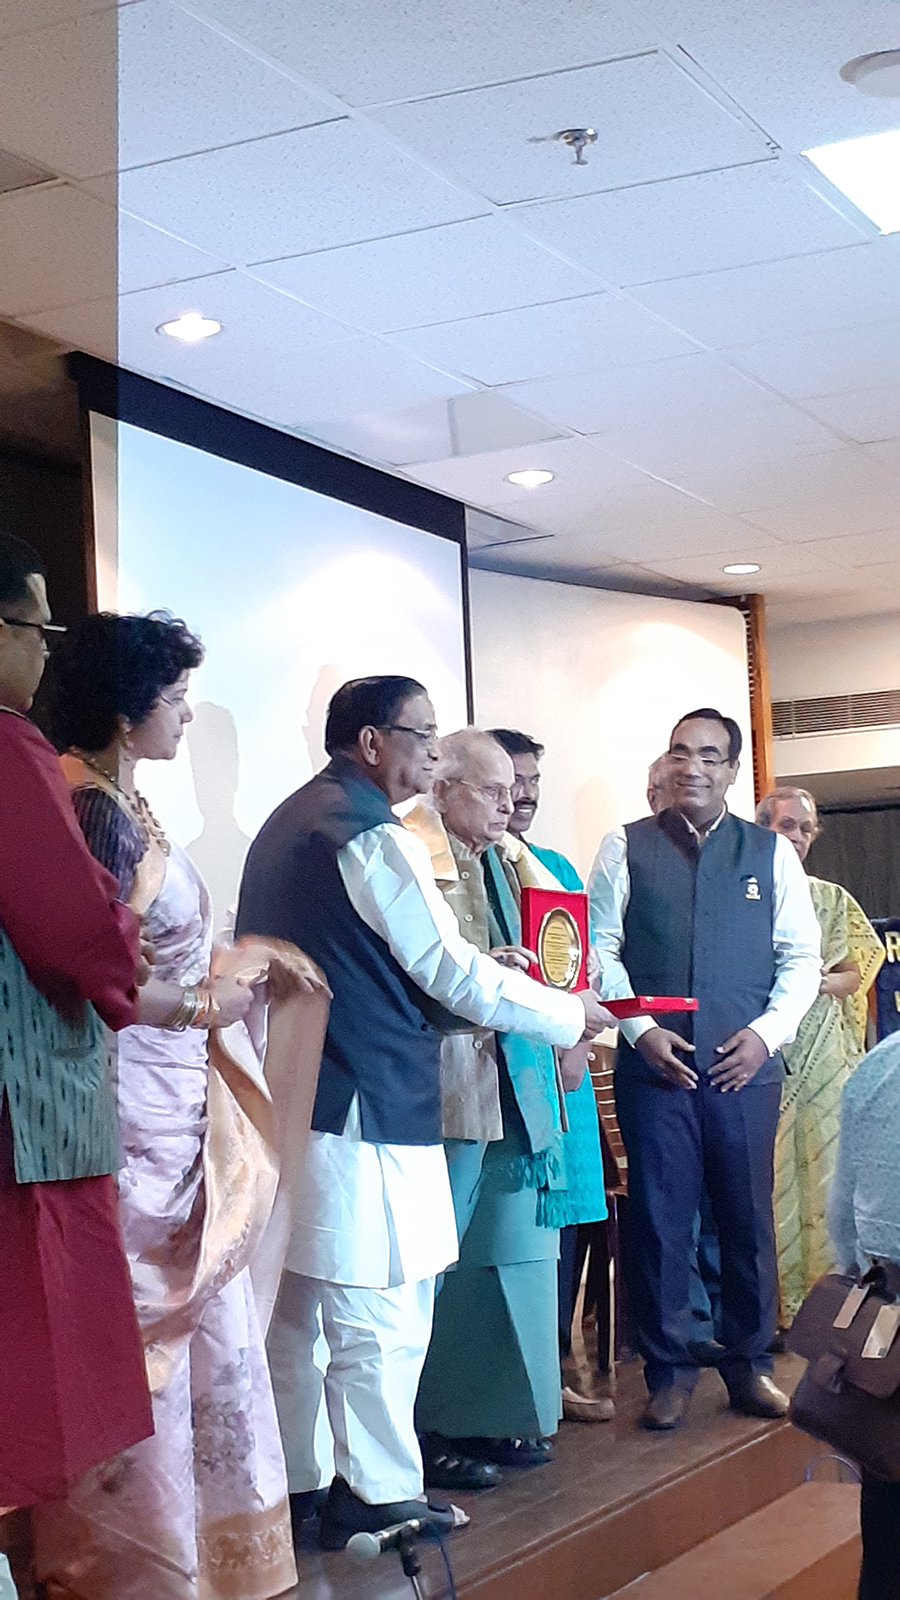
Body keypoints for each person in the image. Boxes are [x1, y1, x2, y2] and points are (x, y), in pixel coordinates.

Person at [235, 677, 613, 1549]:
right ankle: (377, 1493)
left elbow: (382, 962)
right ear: (372, 742)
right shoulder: (368, 832)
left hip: (297, 1092)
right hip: (367, 1097)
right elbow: (447, 969)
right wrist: (566, 1014)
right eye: (423, 736)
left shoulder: (290, 822)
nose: (433, 754)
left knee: (301, 1311)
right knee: (383, 1309)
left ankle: (303, 1486)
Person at [34, 613, 321, 1600]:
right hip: (130, 1103)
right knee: (144, 1316)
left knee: (198, 1316)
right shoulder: (92, 811)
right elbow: (100, 972)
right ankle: (135, 1558)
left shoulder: (121, 802)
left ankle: (200, 1547)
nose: (187, 717)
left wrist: (235, 970)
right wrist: (210, 1002)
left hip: (171, 1092)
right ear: (127, 712)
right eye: (175, 700)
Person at [589, 707, 822, 1430]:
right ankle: (668, 1371)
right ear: (667, 763)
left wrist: (765, 1036)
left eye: (709, 756)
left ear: (731, 770)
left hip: (744, 1070)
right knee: (660, 1220)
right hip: (656, 1071)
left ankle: (750, 1364)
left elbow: (801, 959)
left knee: (745, 1218)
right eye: (681, 753)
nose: (692, 767)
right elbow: (599, 950)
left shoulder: (770, 853)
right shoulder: (624, 845)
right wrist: (639, 1030)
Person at [0, 536, 152, 1525]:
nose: (42, 650)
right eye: (34, 627)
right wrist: (128, 942)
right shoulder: (8, 746)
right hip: (20, 1107)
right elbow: (75, 929)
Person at [488, 727, 612, 1424]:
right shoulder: (463, 864)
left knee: (558, 1234)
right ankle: (513, 1392)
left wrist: (580, 1037)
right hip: (505, 1074)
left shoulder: (556, 866)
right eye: (511, 782)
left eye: (533, 780)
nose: (525, 794)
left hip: (565, 1065)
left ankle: (555, 1373)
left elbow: (581, 969)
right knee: (507, 1234)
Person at [756, 787, 883, 1326]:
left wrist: (817, 982)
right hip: (762, 1054)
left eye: (805, 829)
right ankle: (773, 1310)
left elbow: (858, 970)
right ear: (762, 830)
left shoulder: (831, 898)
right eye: (786, 826)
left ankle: (827, 1309)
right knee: (769, 1181)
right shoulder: (744, 897)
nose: (798, 837)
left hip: (826, 1059)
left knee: (829, 1181)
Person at [827, 1031, 900, 1600]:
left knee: (887, 1478)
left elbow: (842, 1208)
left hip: (886, 1311)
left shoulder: (882, 1061)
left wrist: (857, 1274)